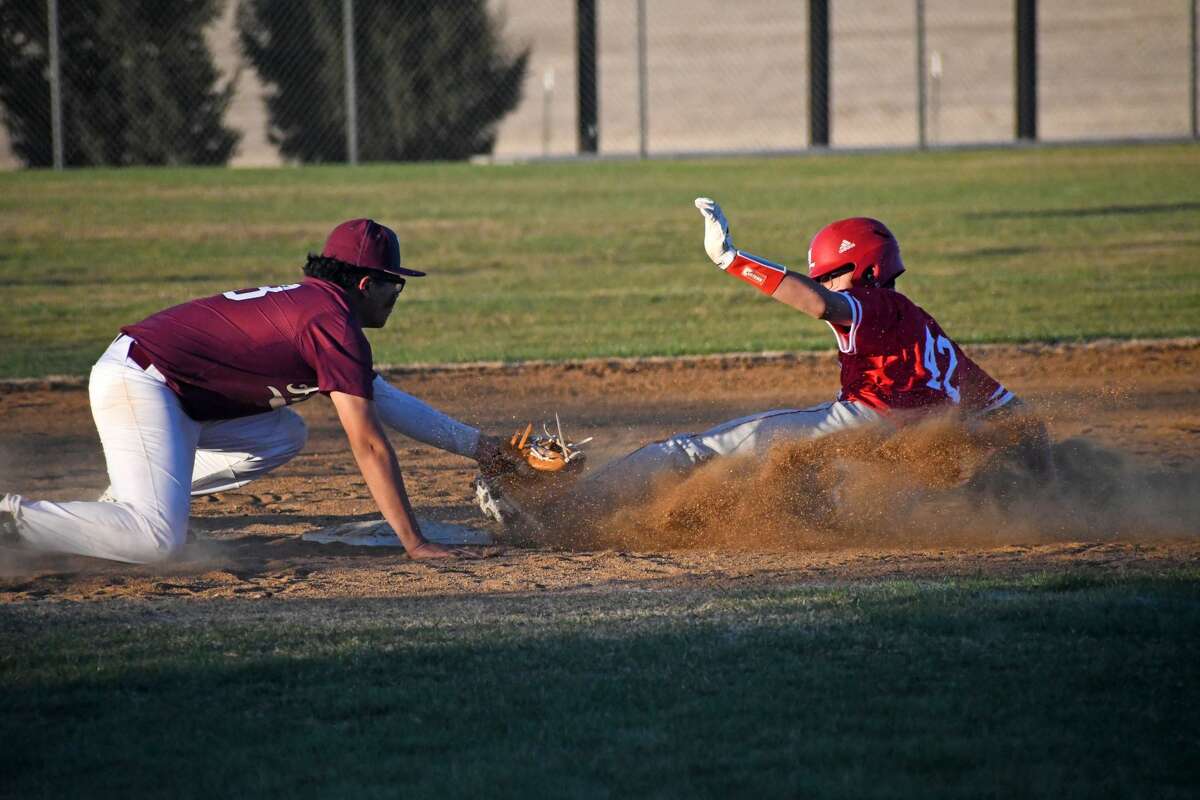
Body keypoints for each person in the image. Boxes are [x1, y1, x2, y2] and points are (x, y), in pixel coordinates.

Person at [477, 198, 1049, 526]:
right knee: (807, 476)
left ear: (868, 270)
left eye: (834, 270)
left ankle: (561, 516)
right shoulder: (929, 330)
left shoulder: (872, 303)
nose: (826, 279)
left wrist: (732, 259)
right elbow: (1018, 417)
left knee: (687, 451)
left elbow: (815, 300)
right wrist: (1041, 479)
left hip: (862, 421)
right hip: (898, 440)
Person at [1, 218, 517, 562]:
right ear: (365, 284)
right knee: (155, 541)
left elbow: (382, 398)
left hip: (173, 393)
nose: (396, 295)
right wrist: (415, 542)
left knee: (283, 433)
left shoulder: (321, 311)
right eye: (394, 284)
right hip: (141, 382)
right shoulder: (331, 323)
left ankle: (130, 498)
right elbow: (369, 443)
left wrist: (480, 447)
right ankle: (14, 520)